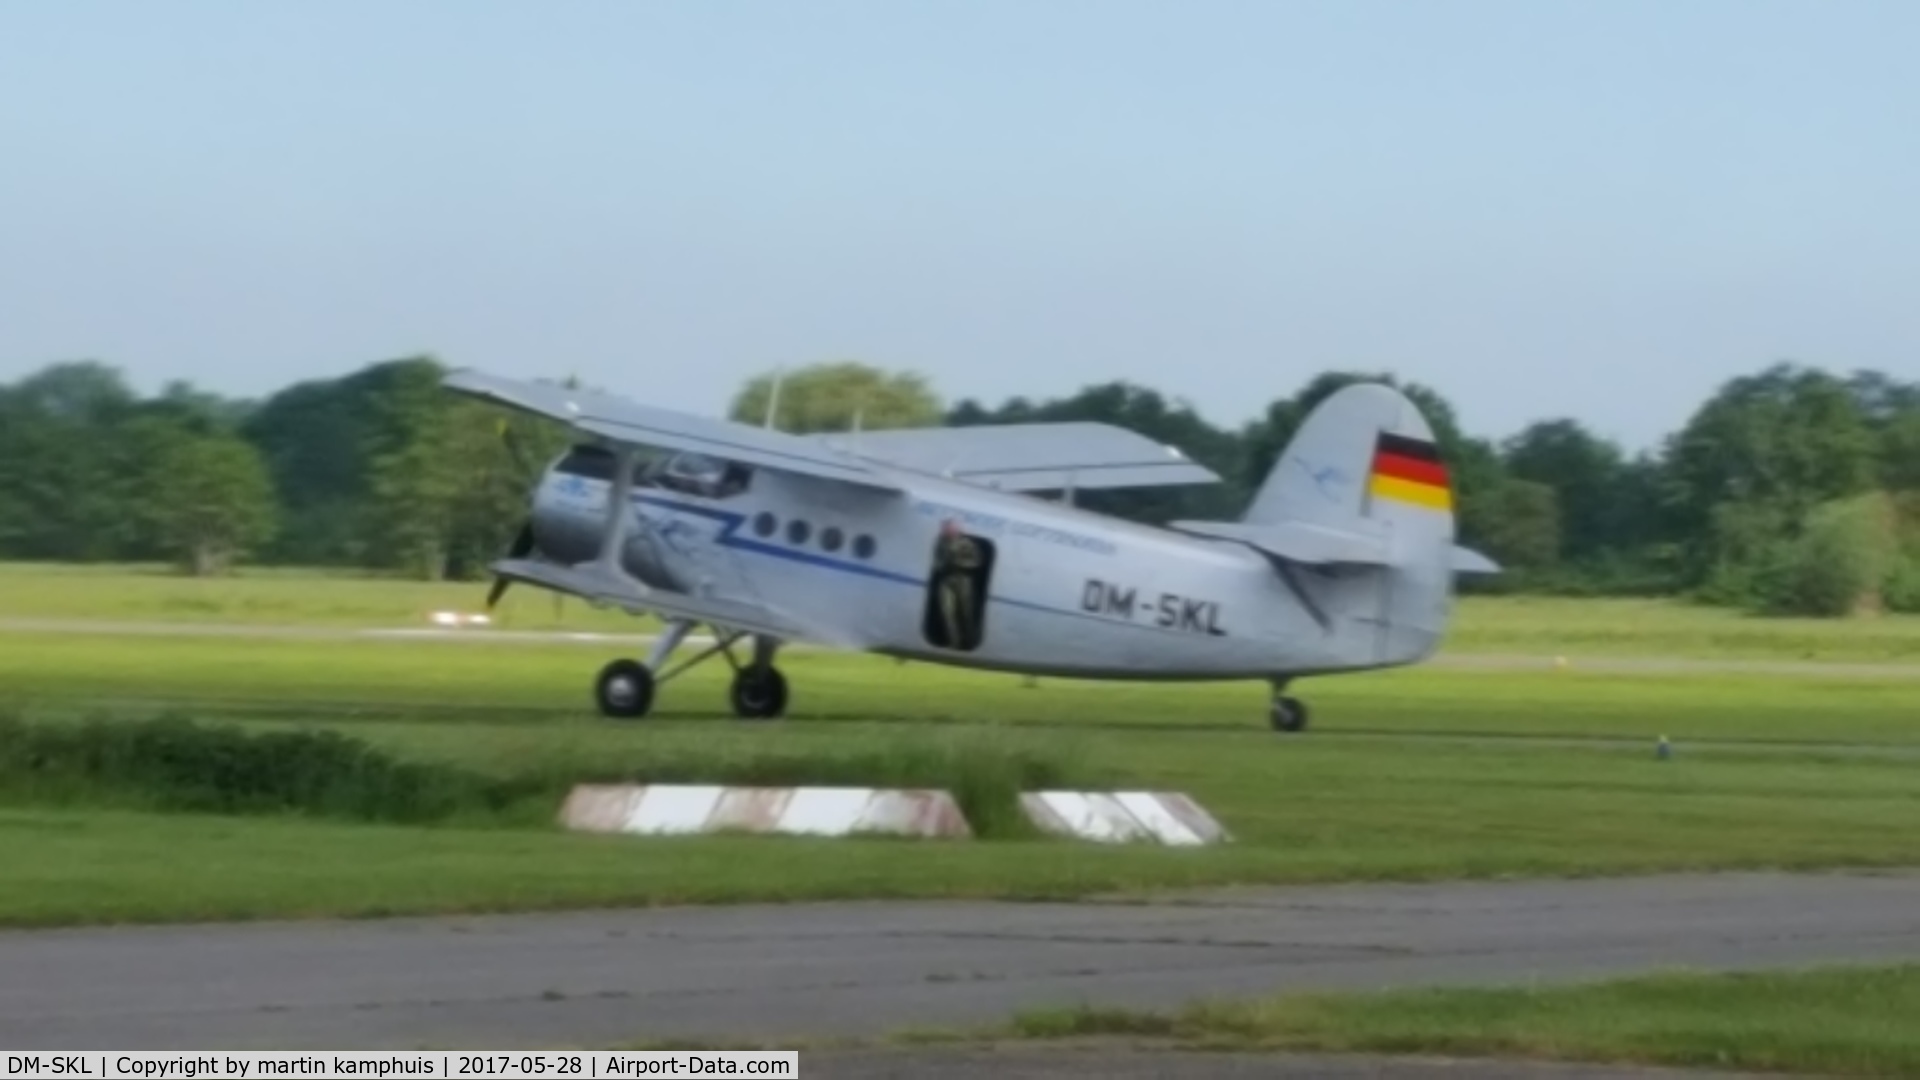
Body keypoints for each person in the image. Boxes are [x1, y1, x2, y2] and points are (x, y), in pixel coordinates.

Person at [932, 519, 982, 649]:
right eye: (946, 528)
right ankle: (955, 642)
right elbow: (937, 559)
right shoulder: (940, 543)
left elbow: (976, 562)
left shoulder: (966, 544)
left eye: (950, 528)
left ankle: (970, 641)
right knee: (947, 612)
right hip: (946, 579)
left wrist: (960, 564)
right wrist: (940, 565)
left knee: (966, 613)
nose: (947, 530)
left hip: (963, 579)